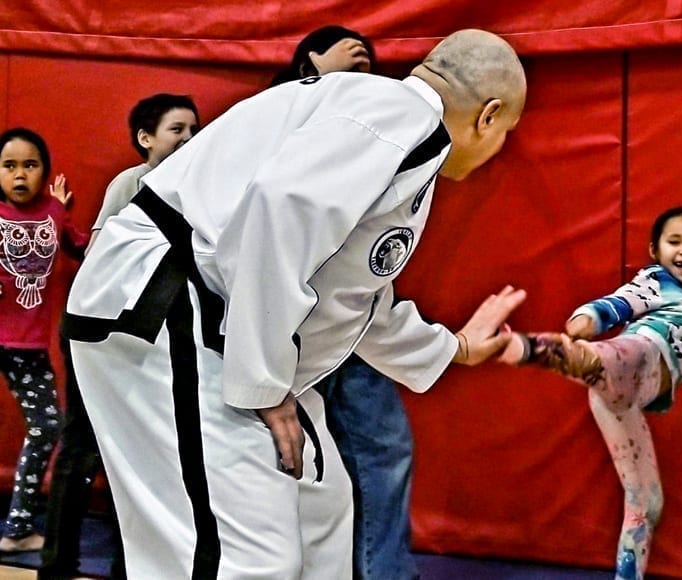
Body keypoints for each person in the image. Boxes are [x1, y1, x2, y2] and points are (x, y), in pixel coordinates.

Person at [63, 29, 527, 579]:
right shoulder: (399, 117)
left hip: (209, 316)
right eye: (507, 133)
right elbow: (281, 209)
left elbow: (353, 296)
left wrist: (453, 349)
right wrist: (264, 384)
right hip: (169, 306)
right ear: (488, 115)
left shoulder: (384, 123)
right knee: (244, 561)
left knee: (321, 512)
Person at [500, 207, 682, 580]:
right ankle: (539, 350)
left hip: (623, 399)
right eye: (674, 241)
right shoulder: (655, 281)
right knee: (615, 357)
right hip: (637, 357)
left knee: (647, 503)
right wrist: (589, 318)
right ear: (654, 250)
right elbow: (623, 301)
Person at [273, 25, 418, 580]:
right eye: (341, 43)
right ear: (307, 60)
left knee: (380, 453)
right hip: (290, 329)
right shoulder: (280, 114)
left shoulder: (388, 129)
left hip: (354, 324)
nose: (362, 47)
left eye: (369, 53)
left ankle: (382, 573)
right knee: (296, 466)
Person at [39, 93, 199, 580]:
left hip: (161, 342)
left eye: (195, 129)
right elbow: (103, 269)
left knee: (149, 455)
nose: (190, 138)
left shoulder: (206, 185)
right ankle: (57, 564)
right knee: (83, 445)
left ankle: (135, 567)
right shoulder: (129, 185)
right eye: (178, 129)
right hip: (105, 339)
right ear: (145, 139)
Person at [0, 128, 89, 552]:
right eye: (9, 166)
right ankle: (18, 527)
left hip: (26, 346)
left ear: (44, 172)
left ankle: (18, 527)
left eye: (30, 165)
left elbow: (81, 246)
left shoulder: (53, 212)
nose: (20, 175)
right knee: (48, 424)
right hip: (8, 340)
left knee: (47, 424)